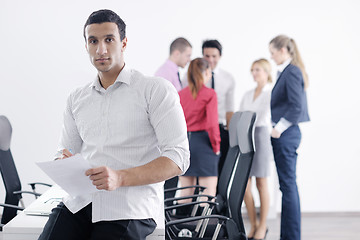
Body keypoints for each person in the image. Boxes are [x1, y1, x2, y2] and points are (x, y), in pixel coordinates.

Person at [38, 9, 190, 240]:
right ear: (86, 46)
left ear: (124, 43)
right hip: (80, 203)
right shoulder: (76, 98)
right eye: (93, 41)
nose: (101, 49)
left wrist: (120, 177)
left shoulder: (155, 90)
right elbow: (64, 150)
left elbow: (178, 157)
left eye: (109, 39)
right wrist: (63, 162)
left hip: (128, 206)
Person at [269, 35, 310, 240]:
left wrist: (279, 128)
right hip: (285, 135)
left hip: (286, 135)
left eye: (273, 52)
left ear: (283, 50)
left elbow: (297, 106)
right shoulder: (286, 72)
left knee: (288, 185)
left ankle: (291, 237)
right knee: (286, 185)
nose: (271, 56)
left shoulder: (291, 71)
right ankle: (288, 236)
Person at [178, 58, 220, 207]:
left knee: (185, 193)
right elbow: (212, 124)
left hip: (185, 144)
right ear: (207, 72)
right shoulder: (209, 94)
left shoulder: (180, 94)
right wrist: (216, 147)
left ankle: (180, 229)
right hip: (203, 144)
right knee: (207, 195)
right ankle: (204, 230)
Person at [155, 37, 192, 201]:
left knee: (173, 180)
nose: (189, 59)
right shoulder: (164, 74)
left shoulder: (174, 73)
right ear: (177, 53)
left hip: (172, 133)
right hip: (167, 134)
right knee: (169, 181)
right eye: (187, 55)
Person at [240, 59, 273, 240]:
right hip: (246, 137)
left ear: (266, 71)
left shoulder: (270, 93)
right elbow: (241, 115)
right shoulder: (247, 94)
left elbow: (263, 117)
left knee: (262, 183)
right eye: (252, 70)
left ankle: (263, 225)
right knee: (245, 186)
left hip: (260, 136)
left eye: (257, 70)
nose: (254, 73)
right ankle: (252, 223)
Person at [200, 40, 236, 177]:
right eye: (207, 56)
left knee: (221, 172)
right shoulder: (193, 77)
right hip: (200, 131)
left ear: (220, 56)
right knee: (202, 173)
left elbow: (230, 108)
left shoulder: (228, 78)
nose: (210, 60)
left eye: (214, 56)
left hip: (220, 129)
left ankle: (218, 198)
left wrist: (231, 134)